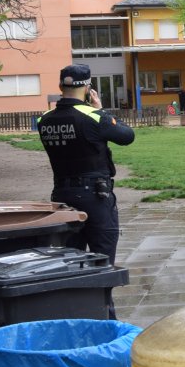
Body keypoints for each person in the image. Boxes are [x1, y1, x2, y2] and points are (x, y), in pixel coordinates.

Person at [37, 64, 135, 278]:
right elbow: (127, 136)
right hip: (94, 195)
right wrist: (100, 110)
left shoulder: (44, 119)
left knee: (71, 261)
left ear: (60, 86)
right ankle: (104, 309)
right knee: (103, 260)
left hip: (62, 196)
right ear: (88, 88)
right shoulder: (94, 116)